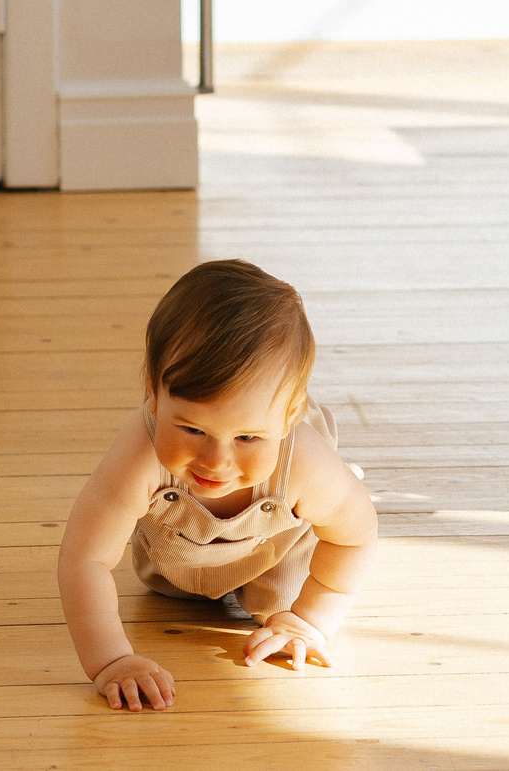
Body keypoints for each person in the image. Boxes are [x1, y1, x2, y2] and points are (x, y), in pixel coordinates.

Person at [59, 260, 377, 710]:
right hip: (174, 552)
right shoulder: (139, 454)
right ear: (153, 392)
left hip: (278, 546)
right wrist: (111, 660)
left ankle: (341, 489)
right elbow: (84, 557)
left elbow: (356, 537)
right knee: (168, 589)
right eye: (191, 429)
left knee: (276, 603)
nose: (216, 461)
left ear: (288, 417)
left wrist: (309, 621)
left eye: (248, 437)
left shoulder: (303, 461)